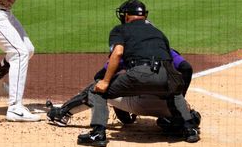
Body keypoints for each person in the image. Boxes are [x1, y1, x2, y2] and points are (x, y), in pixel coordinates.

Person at [47, 0, 199, 147]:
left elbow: (116, 56)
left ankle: (96, 132)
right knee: (174, 91)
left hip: (138, 90)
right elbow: (186, 68)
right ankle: (190, 129)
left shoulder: (122, 30)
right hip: (167, 90)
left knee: (98, 89)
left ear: (126, 16)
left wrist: (104, 81)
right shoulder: (159, 35)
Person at [46, 47, 201, 135]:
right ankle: (178, 119)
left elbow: (99, 77)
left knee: (100, 87)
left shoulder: (127, 49)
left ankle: (63, 114)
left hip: (139, 105)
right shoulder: (167, 50)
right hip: (171, 106)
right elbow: (186, 68)